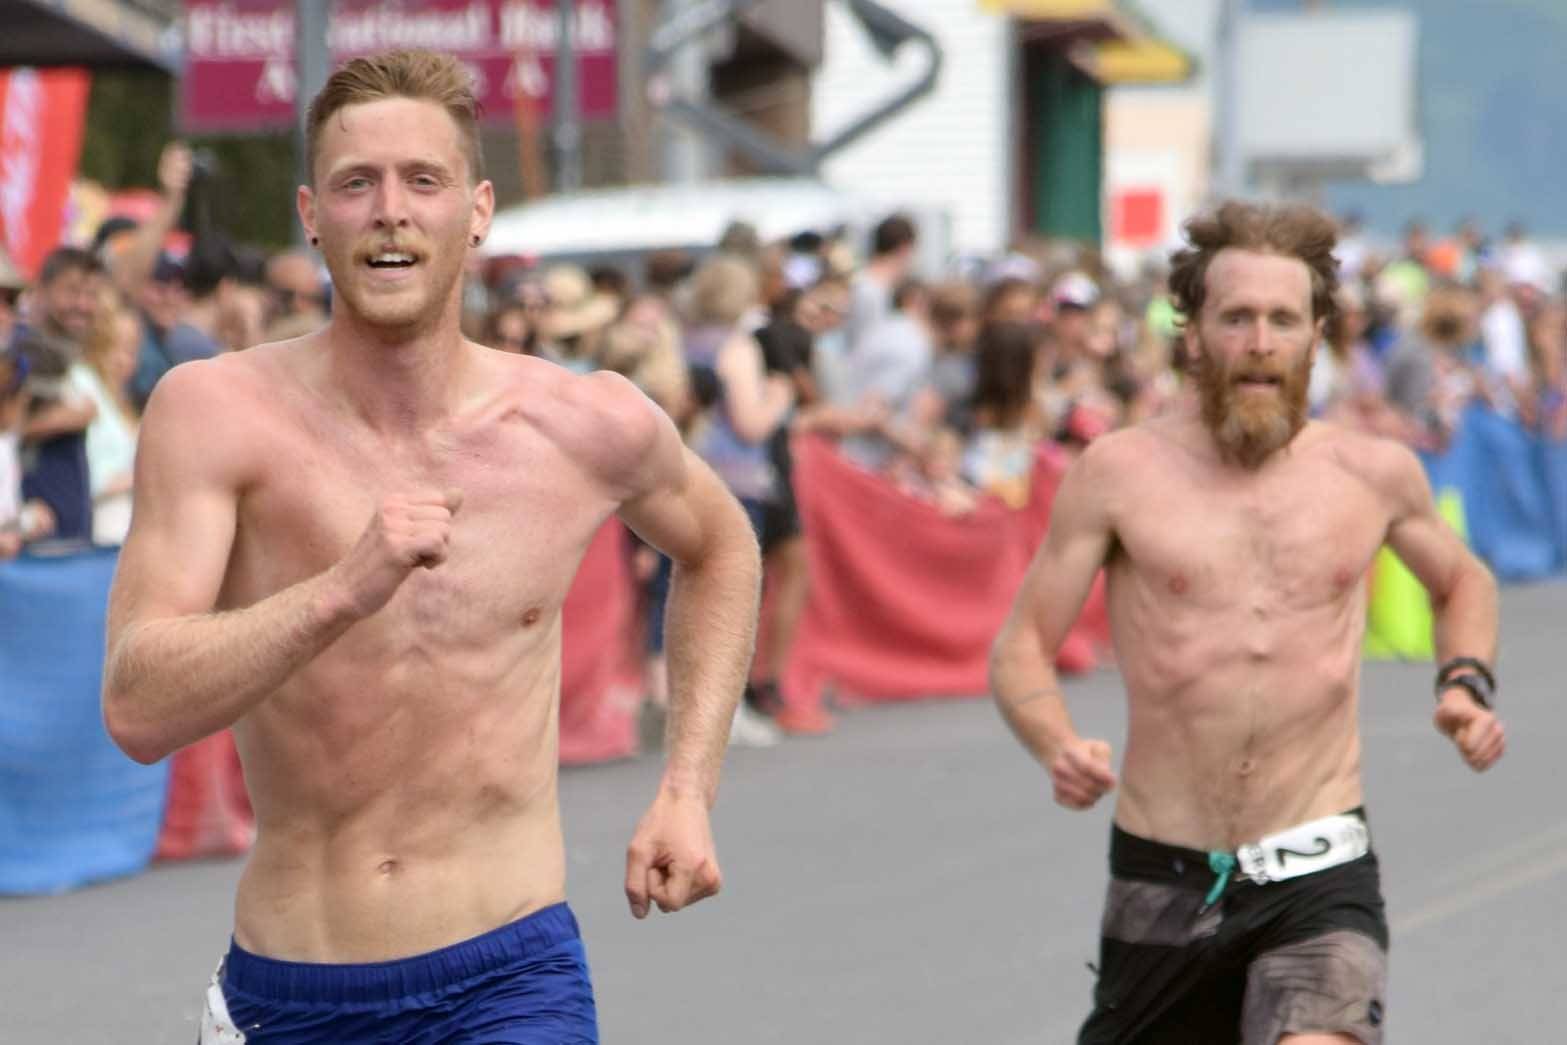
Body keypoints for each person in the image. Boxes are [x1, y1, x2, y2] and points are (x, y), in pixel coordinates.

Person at [102, 50, 763, 1044]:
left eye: (423, 180)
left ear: (478, 209)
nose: (390, 211)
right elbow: (138, 706)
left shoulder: (582, 424)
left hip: (511, 974)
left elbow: (721, 547)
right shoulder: (214, 413)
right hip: (293, 990)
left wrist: (685, 790)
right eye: (355, 183)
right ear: (312, 214)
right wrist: (338, 593)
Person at [988, 200, 1505, 1045]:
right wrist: (1054, 740)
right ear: (1192, 332)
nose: (1259, 340)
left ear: (1316, 333)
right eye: (1235, 317)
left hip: (1321, 864)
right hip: (1161, 874)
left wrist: (1464, 683)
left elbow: (1462, 580)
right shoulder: (1118, 473)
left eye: (1281, 318)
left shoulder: (1370, 472)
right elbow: (1020, 649)